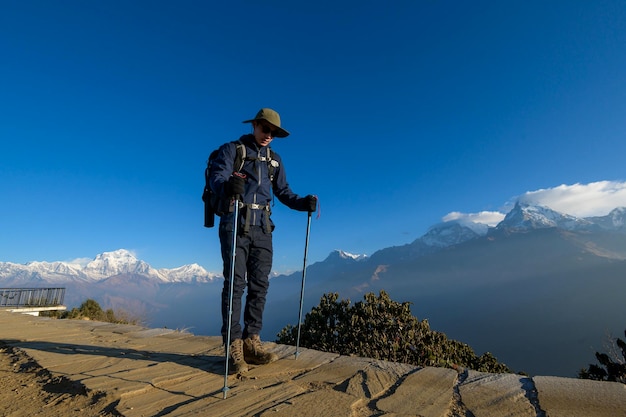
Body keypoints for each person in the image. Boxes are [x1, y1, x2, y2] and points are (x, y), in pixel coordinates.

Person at [209, 108, 317, 373]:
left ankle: (251, 341)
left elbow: (283, 192)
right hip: (235, 222)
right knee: (235, 284)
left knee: (260, 285)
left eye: (274, 133)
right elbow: (217, 178)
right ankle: (233, 345)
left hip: (263, 228)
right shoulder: (232, 150)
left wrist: (302, 203)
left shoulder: (274, 160)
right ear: (255, 125)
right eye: (265, 129)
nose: (269, 135)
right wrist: (227, 187)